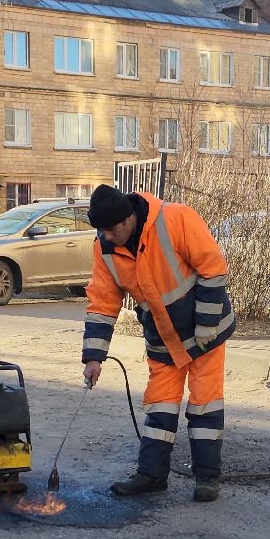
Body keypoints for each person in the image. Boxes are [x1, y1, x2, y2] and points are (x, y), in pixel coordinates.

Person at [80, 183, 233, 502]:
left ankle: (207, 479)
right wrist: (94, 356)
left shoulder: (176, 219)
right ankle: (151, 476)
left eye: (110, 229)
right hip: (163, 339)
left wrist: (206, 324)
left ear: (127, 220)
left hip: (206, 335)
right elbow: (102, 303)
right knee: (159, 406)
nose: (105, 236)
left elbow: (213, 268)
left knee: (204, 405)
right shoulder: (104, 248)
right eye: (101, 231)